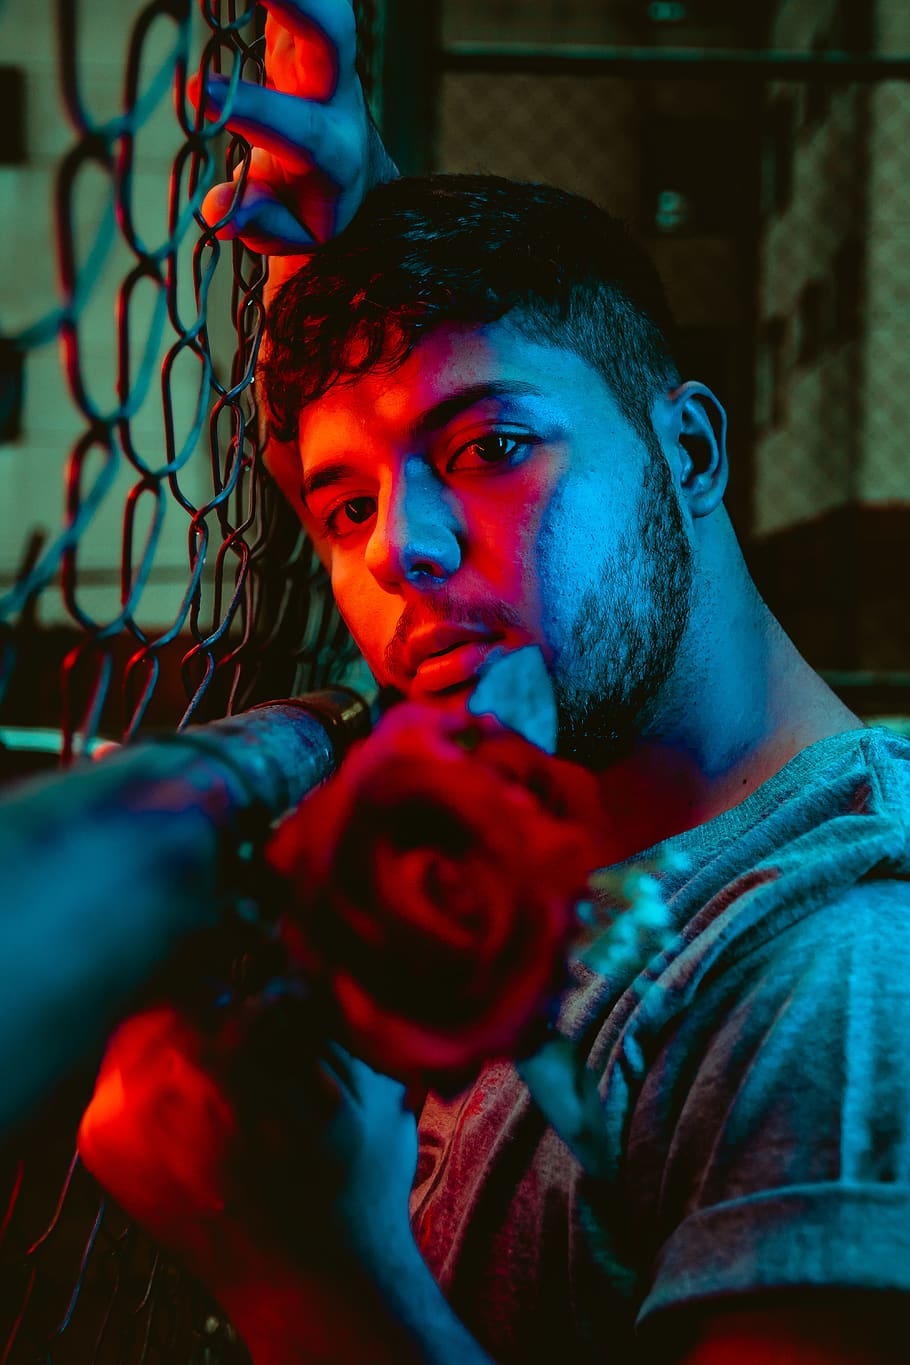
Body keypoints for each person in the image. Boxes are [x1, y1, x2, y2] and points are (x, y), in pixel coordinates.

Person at [114, 2, 907, 1361]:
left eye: (486, 448)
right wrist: (356, 256)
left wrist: (307, 1268)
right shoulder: (547, 836)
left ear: (694, 453)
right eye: (343, 505)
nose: (400, 551)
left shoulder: (838, 988)